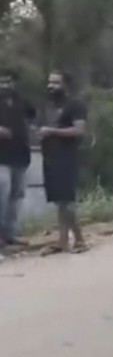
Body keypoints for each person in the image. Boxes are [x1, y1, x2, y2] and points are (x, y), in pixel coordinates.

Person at [39, 71, 88, 254]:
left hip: (67, 158)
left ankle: (80, 239)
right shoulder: (49, 106)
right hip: (50, 157)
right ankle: (62, 241)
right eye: (49, 82)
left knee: (67, 201)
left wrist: (51, 131)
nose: (51, 86)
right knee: (60, 202)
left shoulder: (75, 104)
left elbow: (79, 131)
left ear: (65, 85)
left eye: (56, 83)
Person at [0, 68, 34, 247]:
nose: (6, 85)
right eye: (2, 81)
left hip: (20, 154)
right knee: (2, 193)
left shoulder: (22, 100)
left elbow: (32, 118)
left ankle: (10, 233)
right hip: (1, 157)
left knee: (16, 195)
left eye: (9, 81)